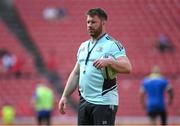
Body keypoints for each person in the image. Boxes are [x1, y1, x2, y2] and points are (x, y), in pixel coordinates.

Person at [58, 8, 132, 125]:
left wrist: (109, 62)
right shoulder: (83, 46)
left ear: (103, 22)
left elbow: (128, 67)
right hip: (84, 101)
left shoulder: (112, 44)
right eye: (88, 22)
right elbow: (76, 73)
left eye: (93, 22)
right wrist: (65, 96)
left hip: (104, 102)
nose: (89, 25)